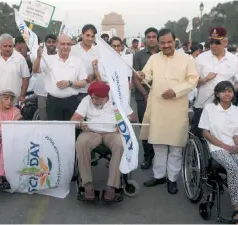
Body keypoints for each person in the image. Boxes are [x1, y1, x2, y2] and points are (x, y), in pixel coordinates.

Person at [138, 28, 199, 194]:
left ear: (175, 41)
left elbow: (193, 80)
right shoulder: (153, 58)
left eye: (169, 42)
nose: (166, 45)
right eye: (162, 42)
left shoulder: (187, 59)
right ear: (158, 42)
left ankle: (172, 179)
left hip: (177, 108)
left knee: (175, 146)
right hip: (157, 107)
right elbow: (147, 75)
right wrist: (142, 74)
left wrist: (176, 91)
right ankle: (159, 176)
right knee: (158, 144)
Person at [71, 81, 137, 201]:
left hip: (112, 132)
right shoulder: (87, 100)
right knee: (81, 143)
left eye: (98, 99)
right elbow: (74, 118)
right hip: (91, 131)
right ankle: (87, 184)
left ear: (106, 96)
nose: (95, 101)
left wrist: (123, 123)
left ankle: (112, 186)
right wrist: (80, 123)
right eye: (93, 98)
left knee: (120, 144)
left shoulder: (116, 100)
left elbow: (133, 117)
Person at [198, 81, 238, 224]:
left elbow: (236, 137)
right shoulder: (210, 108)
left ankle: (237, 194)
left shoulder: (237, 111)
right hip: (216, 147)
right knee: (233, 167)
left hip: (233, 147)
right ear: (217, 94)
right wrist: (225, 146)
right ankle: (237, 207)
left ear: (233, 94)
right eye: (223, 91)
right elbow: (206, 133)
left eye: (230, 91)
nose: (227, 93)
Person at [192, 27, 238, 138]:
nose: (213, 45)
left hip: (224, 108)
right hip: (202, 106)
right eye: (211, 42)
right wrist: (205, 79)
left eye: (217, 42)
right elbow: (192, 83)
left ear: (225, 42)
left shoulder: (234, 60)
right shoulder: (200, 58)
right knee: (200, 138)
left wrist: (229, 90)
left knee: (224, 138)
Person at [32, 34, 87, 121]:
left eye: (68, 44)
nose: (65, 47)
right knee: (54, 131)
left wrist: (69, 83)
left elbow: (83, 83)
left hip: (72, 102)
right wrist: (38, 58)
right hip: (53, 102)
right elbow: (35, 70)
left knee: (71, 130)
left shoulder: (77, 61)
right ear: (57, 44)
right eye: (63, 44)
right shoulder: (48, 59)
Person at [132, 27, 159, 170]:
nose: (151, 39)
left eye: (154, 36)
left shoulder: (164, 54)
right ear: (145, 39)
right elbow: (136, 78)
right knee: (146, 127)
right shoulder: (138, 56)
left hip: (162, 96)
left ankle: (160, 157)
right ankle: (148, 156)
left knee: (160, 126)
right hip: (143, 97)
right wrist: (145, 94)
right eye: (149, 37)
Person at [0, 33, 30, 104]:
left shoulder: (20, 58)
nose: (8, 48)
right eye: (5, 46)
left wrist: (22, 96)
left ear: (13, 45)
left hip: (14, 100)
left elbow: (26, 78)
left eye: (10, 46)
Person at [70, 24, 103, 102]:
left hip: (91, 92)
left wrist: (93, 76)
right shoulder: (72, 50)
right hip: (74, 92)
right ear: (82, 35)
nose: (90, 38)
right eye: (87, 35)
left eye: (92, 36)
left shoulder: (98, 52)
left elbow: (102, 72)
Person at [32, 34, 57, 120]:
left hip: (57, 95)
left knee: (56, 120)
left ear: (57, 43)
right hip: (43, 94)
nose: (51, 44)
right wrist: (39, 57)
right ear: (45, 43)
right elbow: (35, 70)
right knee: (44, 120)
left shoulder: (61, 57)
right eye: (49, 42)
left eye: (53, 42)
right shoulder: (41, 56)